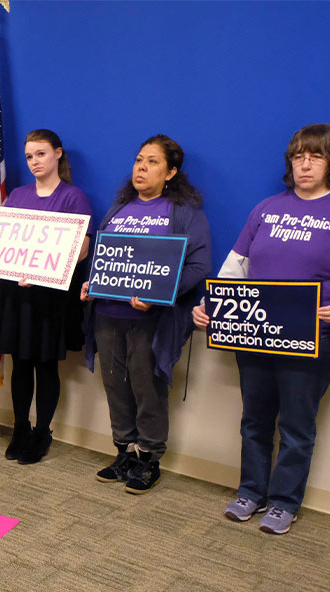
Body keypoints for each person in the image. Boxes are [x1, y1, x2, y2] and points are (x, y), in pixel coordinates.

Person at [192, 123, 330, 534]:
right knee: (254, 420)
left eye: (315, 156)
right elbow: (234, 268)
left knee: (297, 426)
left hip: (313, 338)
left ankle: (283, 502)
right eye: (298, 156)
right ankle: (250, 491)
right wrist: (210, 305)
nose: (305, 164)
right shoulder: (266, 209)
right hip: (256, 336)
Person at [81, 135, 211, 493]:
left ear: (171, 172)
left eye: (152, 162)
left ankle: (149, 458)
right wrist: (91, 283)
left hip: (149, 320)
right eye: (139, 160)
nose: (141, 167)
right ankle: (123, 451)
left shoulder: (183, 212)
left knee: (146, 388)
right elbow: (104, 256)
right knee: (115, 386)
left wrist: (159, 295)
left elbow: (199, 265)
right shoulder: (120, 207)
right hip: (108, 315)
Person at [0, 129, 92, 465]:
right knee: (20, 364)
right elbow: (2, 245)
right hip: (16, 294)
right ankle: (20, 427)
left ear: (58, 154)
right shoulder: (18, 195)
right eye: (30, 156)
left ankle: (42, 432)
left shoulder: (73, 197)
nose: (34, 161)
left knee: (46, 365)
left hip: (50, 297)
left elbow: (82, 249)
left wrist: (44, 273)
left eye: (41, 154)